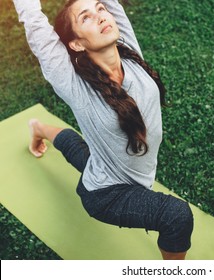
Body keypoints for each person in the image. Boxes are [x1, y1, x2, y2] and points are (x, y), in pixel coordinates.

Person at [13, 0, 193, 260]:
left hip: (105, 166)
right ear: (76, 44)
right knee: (175, 216)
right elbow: (34, 22)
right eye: (85, 18)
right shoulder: (75, 85)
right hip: (107, 194)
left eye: (100, 8)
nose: (100, 16)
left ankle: (38, 126)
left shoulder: (129, 51)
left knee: (83, 153)